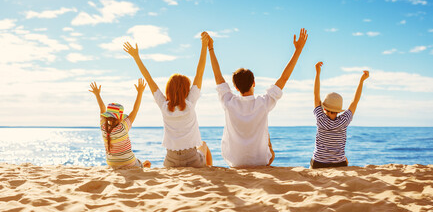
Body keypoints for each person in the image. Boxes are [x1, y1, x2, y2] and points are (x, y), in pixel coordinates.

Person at [208, 28, 308, 167]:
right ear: (254, 83)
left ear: (236, 88)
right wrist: (298, 50)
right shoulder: (263, 102)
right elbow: (284, 78)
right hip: (261, 162)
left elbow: (218, 76)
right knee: (268, 139)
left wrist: (210, 48)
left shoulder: (228, 101)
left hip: (235, 162)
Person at [123, 32, 213, 168]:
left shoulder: (164, 106)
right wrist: (204, 46)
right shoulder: (190, 103)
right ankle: (209, 170)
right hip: (192, 159)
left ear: (168, 90)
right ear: (186, 90)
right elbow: (199, 72)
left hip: (170, 160)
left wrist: (136, 57)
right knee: (204, 145)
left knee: (197, 149)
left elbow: (149, 79)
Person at [310, 62, 369, 169]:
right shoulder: (344, 120)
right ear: (339, 110)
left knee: (314, 159)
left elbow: (316, 95)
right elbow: (355, 101)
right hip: (339, 164)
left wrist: (317, 73)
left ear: (324, 108)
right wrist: (361, 81)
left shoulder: (320, 118)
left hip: (319, 163)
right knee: (345, 159)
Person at [89, 79, 151, 169]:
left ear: (107, 116)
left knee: (141, 163)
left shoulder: (103, 126)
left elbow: (102, 108)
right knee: (147, 163)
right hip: (128, 162)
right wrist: (140, 92)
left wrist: (97, 94)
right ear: (119, 117)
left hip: (112, 163)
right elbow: (135, 109)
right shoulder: (123, 127)